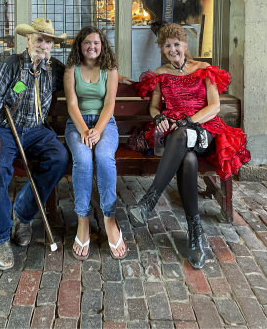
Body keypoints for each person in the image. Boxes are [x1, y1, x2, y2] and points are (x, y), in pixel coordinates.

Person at [128, 23, 250, 269]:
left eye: (176, 44)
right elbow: (154, 106)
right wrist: (158, 118)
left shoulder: (204, 69)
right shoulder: (161, 74)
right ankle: (196, 235)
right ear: (162, 49)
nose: (172, 49)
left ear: (185, 45)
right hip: (177, 136)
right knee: (188, 159)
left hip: (205, 130)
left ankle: (150, 201)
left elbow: (214, 106)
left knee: (182, 135)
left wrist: (188, 120)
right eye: (167, 45)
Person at [0, 17, 69, 270]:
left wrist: (111, 73)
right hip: (6, 129)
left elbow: (85, 75)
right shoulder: (11, 65)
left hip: (38, 131)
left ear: (52, 45)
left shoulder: (55, 69)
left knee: (59, 158)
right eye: (39, 39)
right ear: (28, 39)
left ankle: (23, 214)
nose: (43, 45)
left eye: (48, 41)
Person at [64, 26, 127, 260]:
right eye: (87, 43)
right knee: (82, 159)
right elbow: (71, 104)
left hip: (105, 124)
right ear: (80, 46)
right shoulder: (71, 69)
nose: (92, 47)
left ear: (103, 46)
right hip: (77, 124)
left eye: (96, 43)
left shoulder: (109, 69)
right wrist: (84, 130)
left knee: (103, 157)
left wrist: (98, 131)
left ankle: (109, 218)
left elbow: (110, 104)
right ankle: (83, 220)